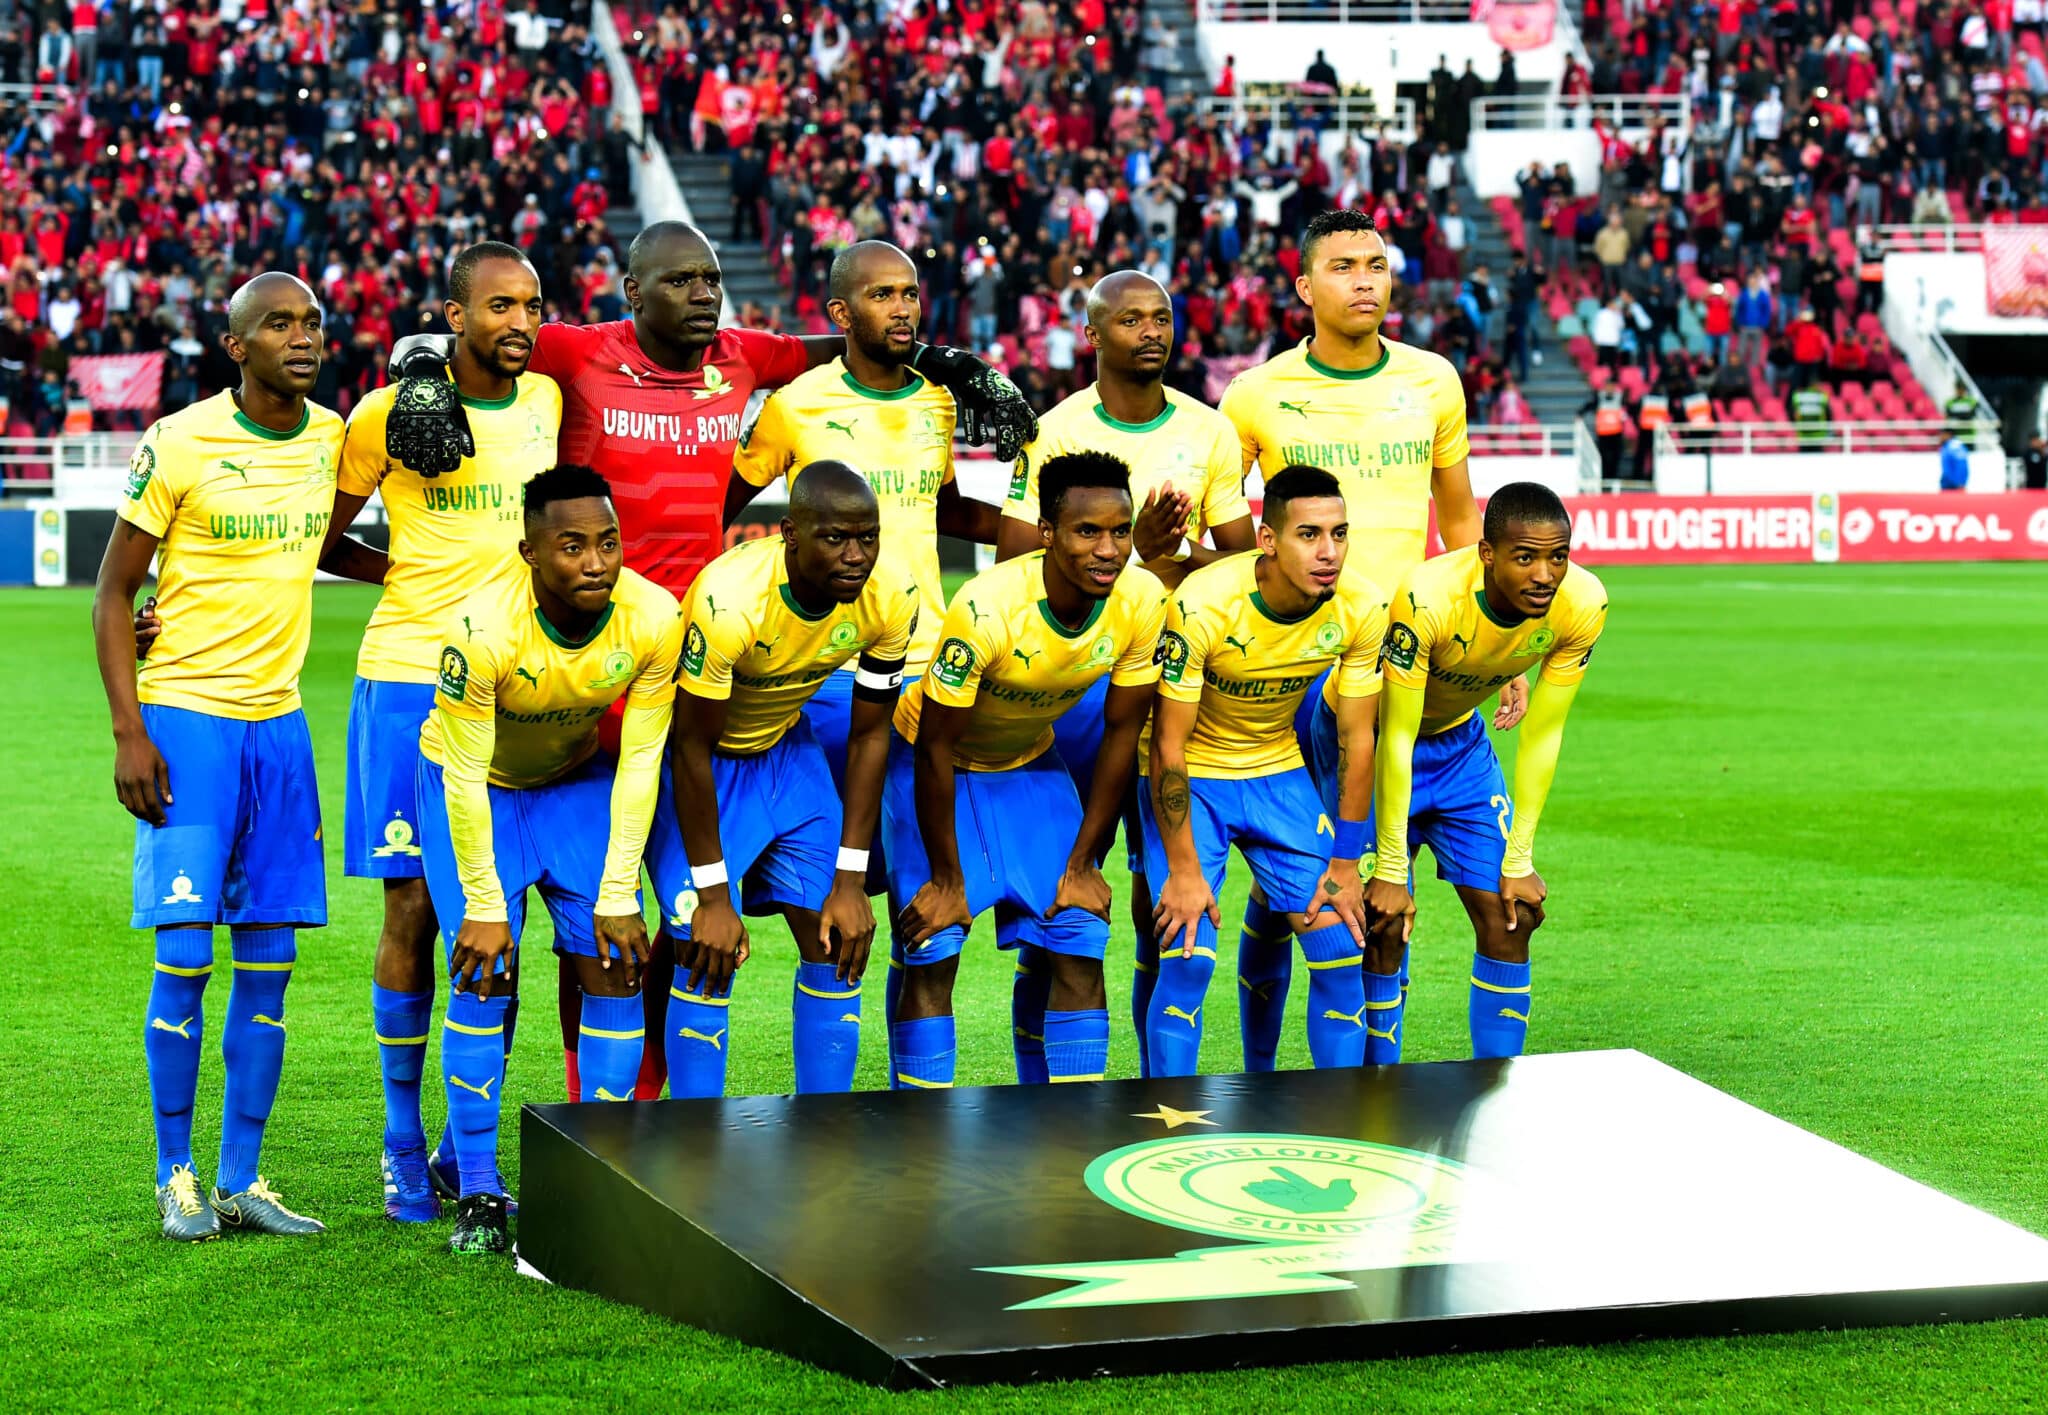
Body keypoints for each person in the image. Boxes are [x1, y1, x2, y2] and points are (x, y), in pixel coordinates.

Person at [388, 221, 1035, 1104]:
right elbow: (475, 333)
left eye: (712, 279)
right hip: (601, 656)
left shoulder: (742, 357)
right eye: (682, 279)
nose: (704, 294)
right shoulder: (578, 350)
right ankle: (585, 1102)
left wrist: (948, 361)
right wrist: (420, 365)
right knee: (603, 902)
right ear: (632, 290)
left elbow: (833, 341)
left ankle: (646, 1096)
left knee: (670, 907)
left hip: (705, 663)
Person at [1216, 207, 1517, 1071]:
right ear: (1304, 286)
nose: (1363, 280)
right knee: (1300, 892)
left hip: (1421, 668)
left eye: (1376, 265)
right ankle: (1266, 1073)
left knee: (1397, 897)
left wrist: (1493, 640)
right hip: (1311, 678)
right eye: (1343, 266)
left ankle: (1391, 1084)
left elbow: (1460, 520)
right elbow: (1228, 524)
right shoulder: (1257, 393)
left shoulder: (1434, 380)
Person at [92, 272, 345, 1241]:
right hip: (188, 720)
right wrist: (130, 731)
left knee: (271, 962)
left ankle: (243, 1177)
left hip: (279, 726)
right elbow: (113, 593)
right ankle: (177, 1173)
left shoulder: (331, 437)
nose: (301, 336)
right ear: (236, 346)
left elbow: (331, 542)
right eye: (277, 323)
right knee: (188, 954)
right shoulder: (181, 439)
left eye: (311, 322)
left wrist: (411, 568)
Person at [323, 243, 559, 1223]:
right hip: (406, 680)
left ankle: (462, 1145)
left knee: (494, 914)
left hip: (508, 688)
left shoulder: (549, 402)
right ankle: (397, 1142)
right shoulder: (384, 414)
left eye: (532, 305)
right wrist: (398, 576)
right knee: (411, 910)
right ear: (454, 315)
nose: (520, 321)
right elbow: (320, 531)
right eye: (499, 305)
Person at [992, 270, 1257, 1076]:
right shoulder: (1052, 431)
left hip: (1175, 687)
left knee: (1156, 902)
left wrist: (1171, 555)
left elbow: (1245, 567)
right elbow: (1012, 565)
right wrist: (1134, 557)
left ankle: (1152, 1088)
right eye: (1131, 318)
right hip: (1077, 687)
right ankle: (1042, 1090)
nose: (1151, 331)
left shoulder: (1210, 432)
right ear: (1092, 334)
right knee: (1057, 900)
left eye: (1162, 317)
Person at [417, 464, 682, 1255]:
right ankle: (477, 1190)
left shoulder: (653, 617)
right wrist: (483, 904)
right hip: (477, 790)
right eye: (572, 547)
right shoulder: (480, 631)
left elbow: (642, 759)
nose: (596, 562)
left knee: (616, 962)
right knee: (484, 972)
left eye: (608, 542)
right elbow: (465, 775)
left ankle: (593, 1177)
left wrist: (619, 891)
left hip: (574, 784)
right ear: (530, 551)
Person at [888, 452, 1167, 1089]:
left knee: (1079, 935)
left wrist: (1085, 864)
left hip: (1029, 761)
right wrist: (947, 879)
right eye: (1086, 531)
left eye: (1120, 531)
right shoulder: (986, 608)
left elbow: (1122, 735)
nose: (1108, 550)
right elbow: (934, 746)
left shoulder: (1142, 600)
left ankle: (1070, 1127)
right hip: (932, 764)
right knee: (934, 944)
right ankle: (919, 1132)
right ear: (1047, 532)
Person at [652, 463, 917, 1096]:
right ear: (790, 534)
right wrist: (714, 898)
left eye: (868, 537)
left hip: (788, 752)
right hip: (702, 766)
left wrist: (851, 880)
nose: (856, 556)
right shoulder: (730, 601)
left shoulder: (892, 593)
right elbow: (689, 745)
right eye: (835, 538)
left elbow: (869, 735)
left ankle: (823, 1133)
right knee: (704, 951)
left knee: (838, 942)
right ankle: (696, 1142)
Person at [729, 241, 998, 804]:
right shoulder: (795, 405)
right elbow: (722, 507)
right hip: (828, 666)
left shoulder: (937, 400)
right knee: (834, 848)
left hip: (925, 659)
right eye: (881, 295)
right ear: (841, 313)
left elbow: (945, 509)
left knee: (916, 847)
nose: (902, 309)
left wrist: (1044, 528)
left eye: (909, 294)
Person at [1144, 466, 1385, 1076]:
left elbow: (1358, 740)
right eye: (1309, 535)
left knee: (1340, 945)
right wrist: (1184, 871)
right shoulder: (1203, 604)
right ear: (1268, 540)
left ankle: (1334, 1114)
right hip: (1193, 775)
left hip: (1277, 768)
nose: (1328, 552)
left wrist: (1346, 864)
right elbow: (1167, 744)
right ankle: (1165, 1117)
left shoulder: (1362, 606)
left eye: (1339, 533)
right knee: (1188, 955)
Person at [1364, 483, 1606, 1063]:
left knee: (1513, 914)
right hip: (1372, 743)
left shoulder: (1584, 603)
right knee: (1379, 923)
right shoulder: (1428, 597)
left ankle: (1499, 1085)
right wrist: (1392, 868)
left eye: (1558, 556)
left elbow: (1543, 733)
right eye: (1525, 558)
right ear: (1488, 553)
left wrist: (1519, 858)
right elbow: (1396, 734)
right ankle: (1374, 1089)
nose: (1545, 575)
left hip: (1460, 749)